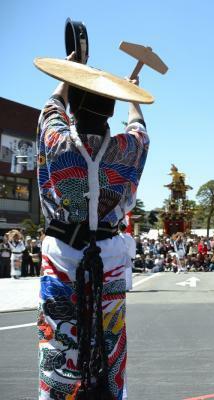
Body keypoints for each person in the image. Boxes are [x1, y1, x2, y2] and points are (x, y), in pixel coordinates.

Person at [35, 53, 151, 398]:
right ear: (111, 113)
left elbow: (50, 109)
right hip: (109, 257)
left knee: (58, 339)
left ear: (74, 110)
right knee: (110, 338)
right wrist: (131, 95)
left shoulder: (58, 142)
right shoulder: (127, 149)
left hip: (62, 255)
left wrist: (70, 73)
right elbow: (139, 129)